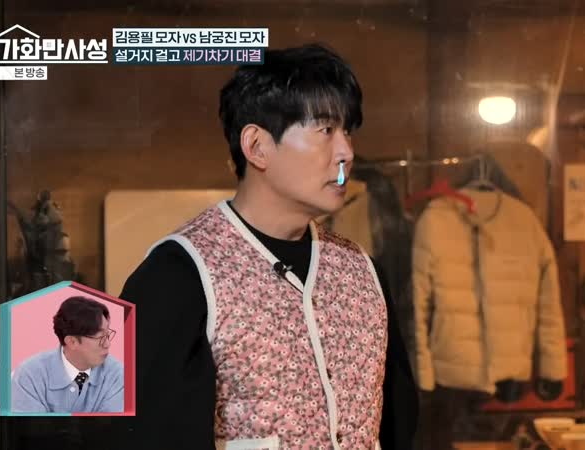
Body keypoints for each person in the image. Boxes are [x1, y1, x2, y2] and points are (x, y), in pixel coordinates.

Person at [118, 43, 417, 450]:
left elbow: (398, 421)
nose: (346, 152)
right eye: (325, 130)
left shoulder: (361, 270)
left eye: (347, 131)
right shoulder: (179, 274)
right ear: (257, 146)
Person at [11, 296, 124, 413]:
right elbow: (28, 424)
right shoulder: (29, 375)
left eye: (107, 335)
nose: (107, 344)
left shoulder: (117, 374)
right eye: (100, 337)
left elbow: (111, 423)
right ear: (72, 342)